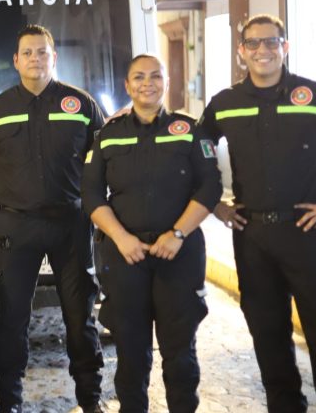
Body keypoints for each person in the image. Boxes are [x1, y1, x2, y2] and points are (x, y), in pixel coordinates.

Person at [200, 14, 316, 413]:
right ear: (241, 51)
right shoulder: (224, 104)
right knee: (266, 328)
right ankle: (284, 405)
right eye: (253, 44)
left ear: (285, 47)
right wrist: (215, 205)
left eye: (271, 42)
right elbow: (195, 152)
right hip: (251, 236)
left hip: (306, 231)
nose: (262, 50)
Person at [0, 24, 104, 413]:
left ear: (53, 57)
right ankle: (9, 401)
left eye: (42, 51)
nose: (35, 58)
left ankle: (90, 398)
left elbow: (99, 163)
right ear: (15, 61)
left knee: (79, 317)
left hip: (72, 224)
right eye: (27, 52)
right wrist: (22, 192)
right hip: (18, 225)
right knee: (11, 317)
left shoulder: (81, 105)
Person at [81, 54, 222, 412]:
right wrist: (120, 237)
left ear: (166, 83)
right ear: (127, 86)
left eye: (155, 76)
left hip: (179, 254)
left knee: (180, 354)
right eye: (139, 77)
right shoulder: (108, 136)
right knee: (130, 353)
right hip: (127, 256)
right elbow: (91, 194)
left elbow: (210, 188)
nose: (148, 83)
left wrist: (177, 234)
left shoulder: (190, 130)